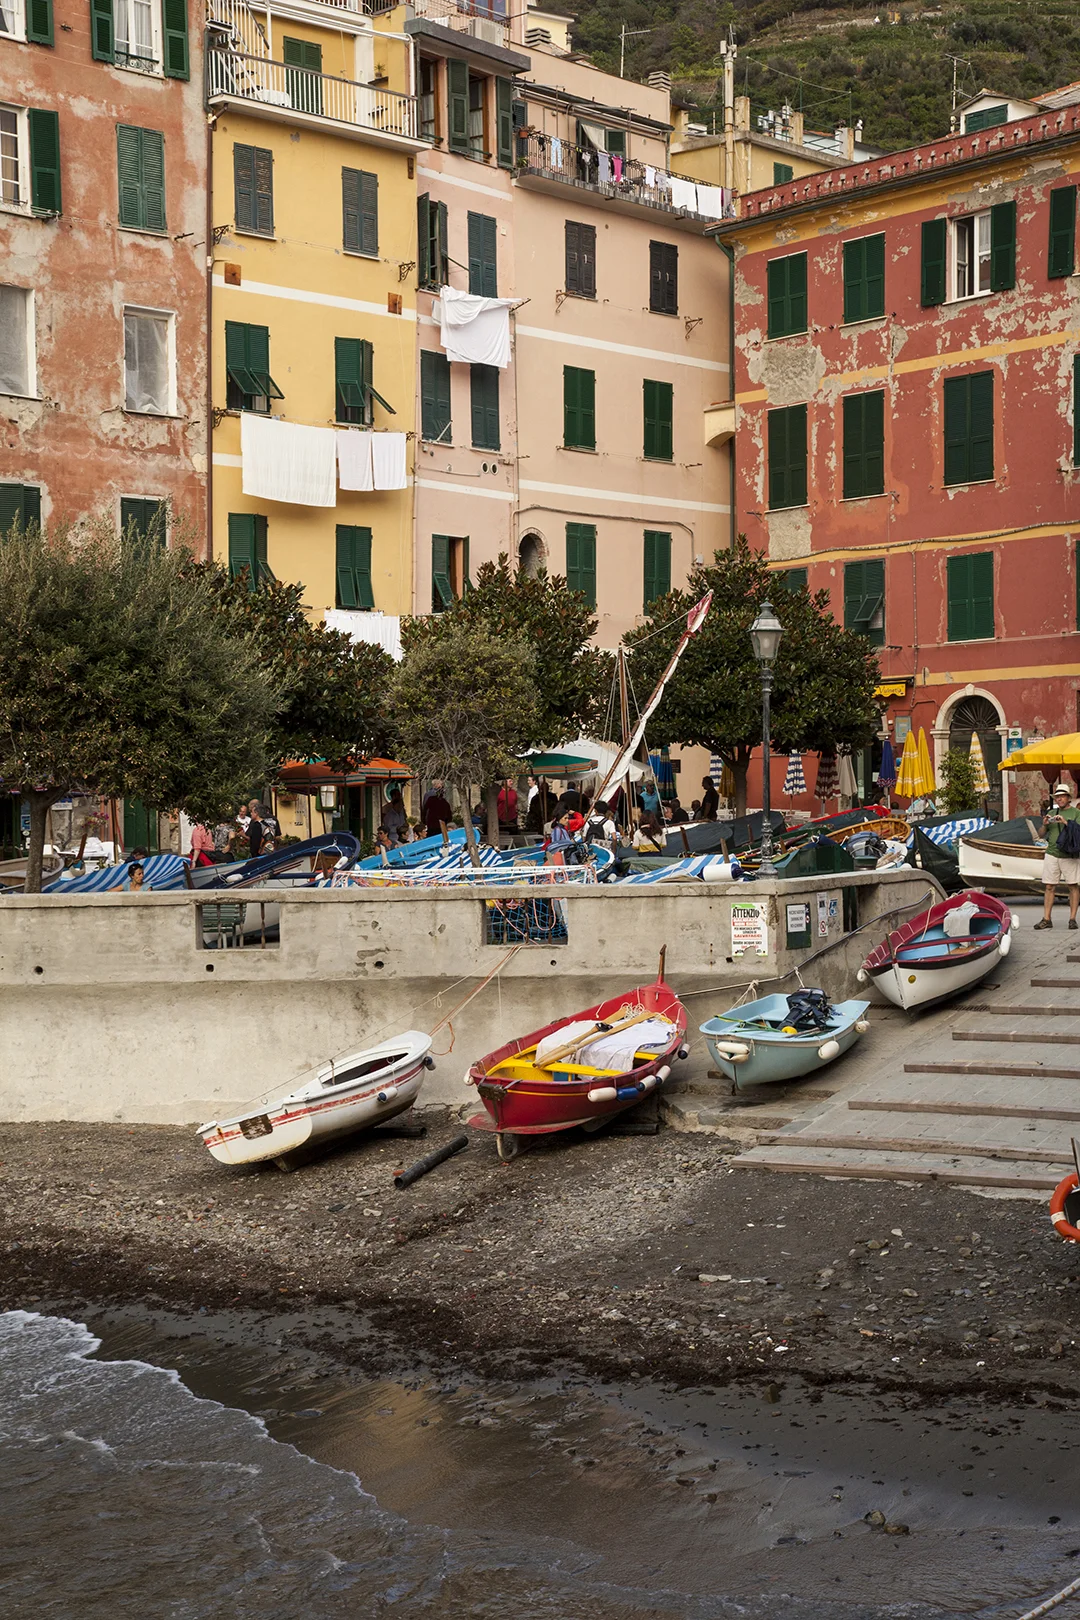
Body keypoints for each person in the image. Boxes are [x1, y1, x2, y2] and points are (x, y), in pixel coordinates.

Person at [1034, 782, 1080, 929]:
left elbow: (1078, 832)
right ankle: (1046, 919)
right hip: (1052, 853)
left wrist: (1066, 822)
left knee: (1073, 885)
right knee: (1049, 886)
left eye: (1062, 797)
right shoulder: (1051, 813)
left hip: (1069, 854)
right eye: (1057, 797)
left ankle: (1072, 919)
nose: (1059, 799)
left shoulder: (1076, 813)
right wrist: (1045, 824)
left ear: (1068, 798)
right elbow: (1041, 835)